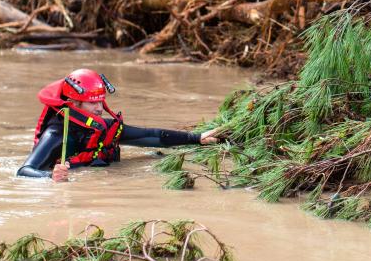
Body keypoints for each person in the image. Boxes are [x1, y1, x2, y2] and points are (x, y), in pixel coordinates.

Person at [17, 68, 219, 181]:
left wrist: (197, 138)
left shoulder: (101, 128)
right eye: (92, 103)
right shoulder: (56, 134)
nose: (99, 108)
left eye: (101, 101)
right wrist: (50, 176)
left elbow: (150, 135)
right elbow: (24, 171)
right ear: (74, 103)